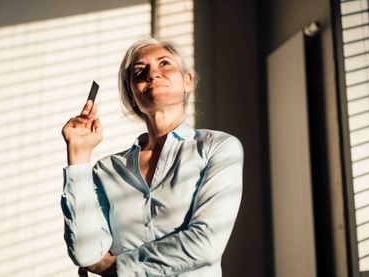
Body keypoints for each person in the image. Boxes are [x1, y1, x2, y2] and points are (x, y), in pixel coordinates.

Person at [61, 37, 244, 277]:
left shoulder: (218, 148)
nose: (152, 74)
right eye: (139, 71)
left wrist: (118, 268)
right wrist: (79, 154)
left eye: (164, 64)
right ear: (132, 94)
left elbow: (206, 245)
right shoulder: (106, 170)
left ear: (187, 81)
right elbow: (86, 254)